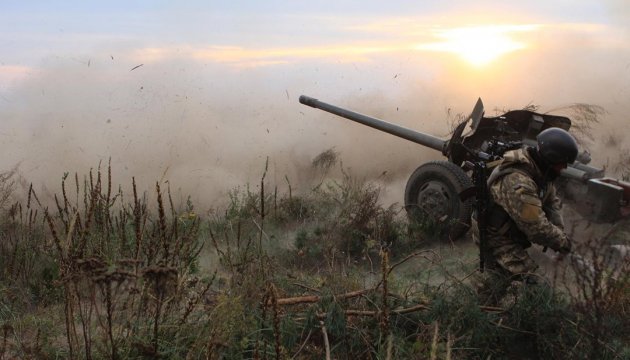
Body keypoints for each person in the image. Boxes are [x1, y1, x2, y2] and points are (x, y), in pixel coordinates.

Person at [474, 127, 577, 304]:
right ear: (551, 158)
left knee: (498, 280)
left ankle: (480, 310)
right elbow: (536, 229)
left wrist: (560, 235)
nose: (564, 168)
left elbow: (552, 204)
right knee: (539, 287)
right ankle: (532, 324)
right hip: (496, 236)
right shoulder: (519, 182)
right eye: (563, 163)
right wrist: (562, 243)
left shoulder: (540, 171)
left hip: (510, 231)